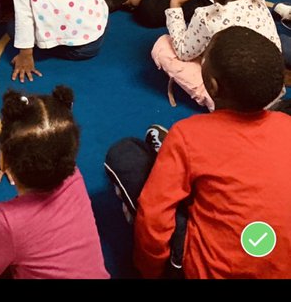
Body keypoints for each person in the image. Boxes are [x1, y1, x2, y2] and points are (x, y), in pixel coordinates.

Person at [104, 28, 291, 279]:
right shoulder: (286, 126)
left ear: (212, 85)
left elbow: (154, 215)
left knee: (124, 154)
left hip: (206, 270)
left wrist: (149, 270)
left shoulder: (189, 134)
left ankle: (165, 151)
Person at [0, 85, 110, 279]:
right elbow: (37, 225)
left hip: (4, 240)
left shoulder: (7, 222)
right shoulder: (74, 178)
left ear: (3, 159)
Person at [151, 0, 281, 109]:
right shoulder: (257, 0)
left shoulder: (206, 17)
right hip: (271, 92)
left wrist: (175, 3)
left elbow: (182, 52)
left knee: (163, 46)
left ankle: (215, 103)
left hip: (235, 102)